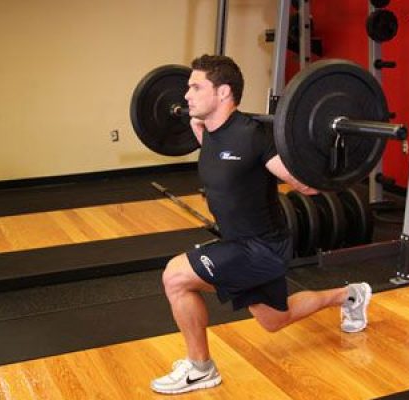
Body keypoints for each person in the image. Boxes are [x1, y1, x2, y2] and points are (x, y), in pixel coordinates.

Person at [150, 54, 372, 395]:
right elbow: (208, 139)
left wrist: (327, 146)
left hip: (259, 248)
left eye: (196, 87)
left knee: (176, 277)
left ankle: (200, 368)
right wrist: (195, 120)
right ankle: (349, 296)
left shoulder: (254, 137)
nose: (186, 96)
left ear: (223, 93)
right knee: (274, 320)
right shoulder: (205, 129)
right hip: (242, 244)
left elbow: (306, 184)